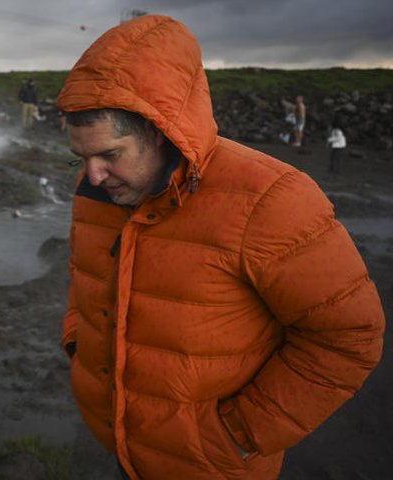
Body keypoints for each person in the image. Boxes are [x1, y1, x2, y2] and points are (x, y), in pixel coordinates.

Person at [56, 15, 384, 480]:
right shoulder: (96, 194)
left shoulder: (272, 201)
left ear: (159, 129)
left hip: (213, 465)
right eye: (81, 157)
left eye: (109, 155)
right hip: (122, 449)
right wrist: (79, 344)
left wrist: (239, 433)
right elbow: (83, 277)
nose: (92, 175)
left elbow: (350, 335)